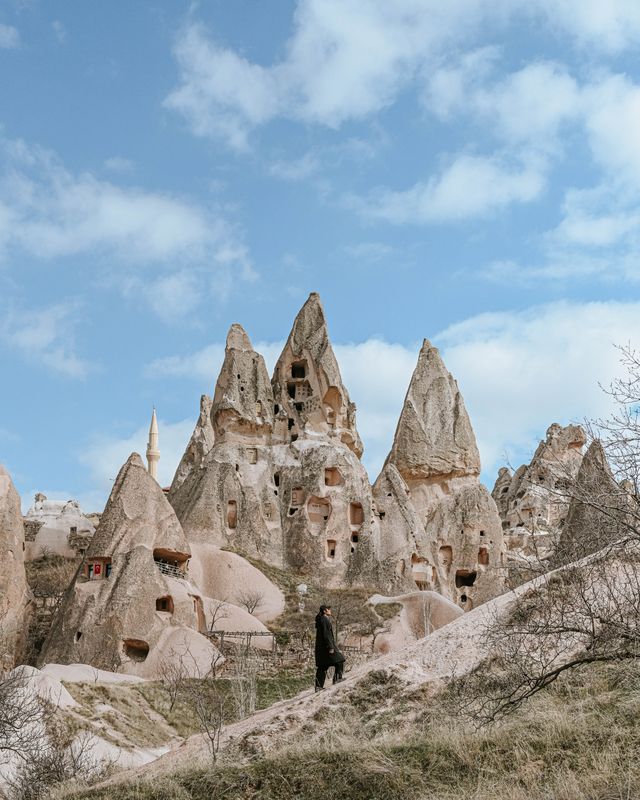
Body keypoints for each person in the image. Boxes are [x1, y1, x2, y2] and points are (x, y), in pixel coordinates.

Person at [314, 605, 345, 691]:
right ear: (324, 611)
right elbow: (326, 634)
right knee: (339, 660)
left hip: (321, 649)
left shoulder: (321, 619)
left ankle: (318, 686)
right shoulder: (324, 619)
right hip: (326, 647)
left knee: (323, 666)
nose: (330, 611)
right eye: (328, 609)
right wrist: (330, 647)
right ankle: (337, 679)